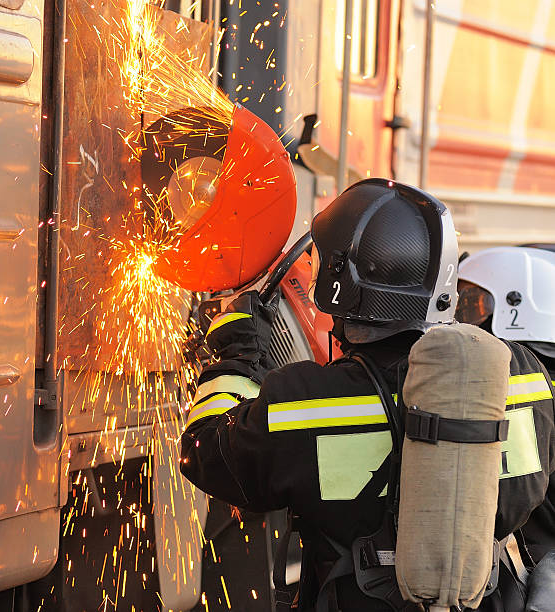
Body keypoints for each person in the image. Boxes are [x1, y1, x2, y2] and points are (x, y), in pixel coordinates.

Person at [180, 179, 555, 611]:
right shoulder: (523, 376)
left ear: (343, 282)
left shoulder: (308, 403)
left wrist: (237, 356)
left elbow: (205, 451)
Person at [457, 246, 555, 564]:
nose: (459, 319)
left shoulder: (514, 388)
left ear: (513, 305)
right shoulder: (541, 381)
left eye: (473, 302)